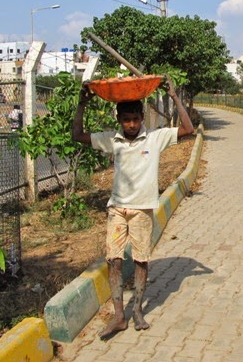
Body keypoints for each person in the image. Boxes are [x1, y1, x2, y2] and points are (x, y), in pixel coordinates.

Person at [72, 75, 194, 339]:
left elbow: (188, 129)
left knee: (141, 260)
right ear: (119, 120)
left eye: (135, 119)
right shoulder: (112, 139)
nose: (131, 124)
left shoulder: (155, 138)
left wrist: (174, 97)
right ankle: (119, 315)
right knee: (113, 260)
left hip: (142, 210)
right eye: (126, 120)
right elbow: (77, 135)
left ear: (142, 118)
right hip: (117, 209)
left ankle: (137, 309)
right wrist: (82, 104)